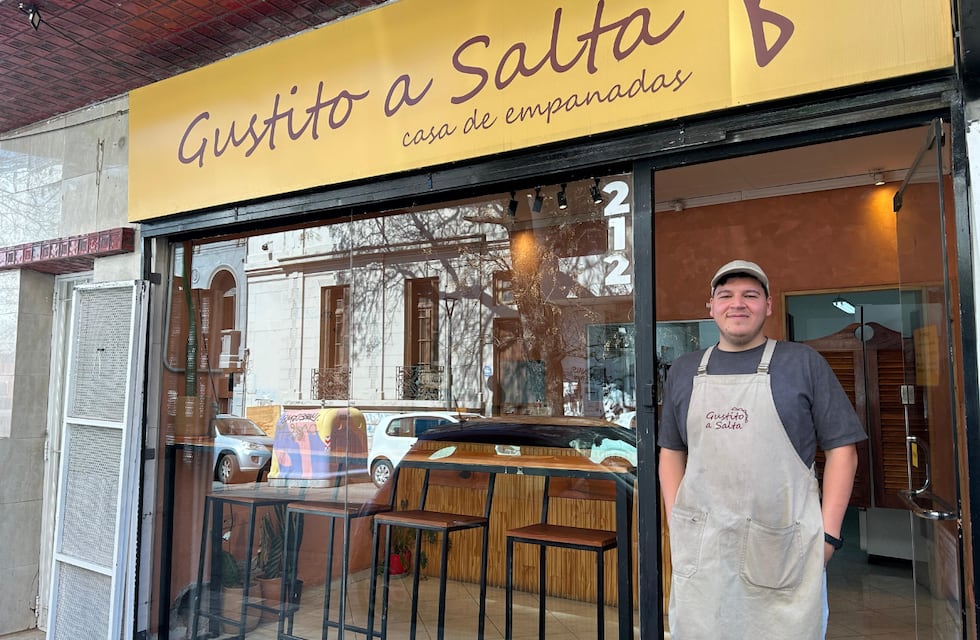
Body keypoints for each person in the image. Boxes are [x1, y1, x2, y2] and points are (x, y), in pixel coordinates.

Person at [657, 259, 866, 640]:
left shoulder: (803, 363)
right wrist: (677, 522)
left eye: (750, 295)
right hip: (704, 553)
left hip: (783, 550)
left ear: (768, 305)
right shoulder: (685, 370)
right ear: (711, 306)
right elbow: (670, 452)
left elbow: (843, 450)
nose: (738, 304)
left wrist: (829, 537)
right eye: (727, 295)